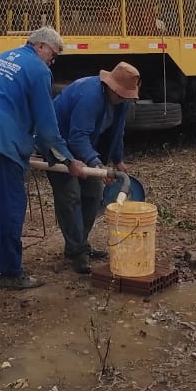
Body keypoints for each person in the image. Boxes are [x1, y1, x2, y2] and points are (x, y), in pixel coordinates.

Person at [0, 26, 86, 291]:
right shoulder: (38, 70)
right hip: (0, 140)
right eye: (53, 55)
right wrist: (69, 160)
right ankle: (11, 272)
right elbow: (47, 126)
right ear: (41, 47)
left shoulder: (3, 57)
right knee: (7, 208)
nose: (53, 61)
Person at [45, 61, 140, 273]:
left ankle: (79, 245)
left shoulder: (120, 102)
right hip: (59, 144)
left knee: (93, 194)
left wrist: (118, 159)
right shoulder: (90, 96)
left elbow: (117, 132)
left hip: (81, 145)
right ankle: (77, 251)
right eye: (123, 94)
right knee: (70, 195)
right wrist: (96, 163)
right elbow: (78, 136)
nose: (125, 99)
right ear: (112, 87)